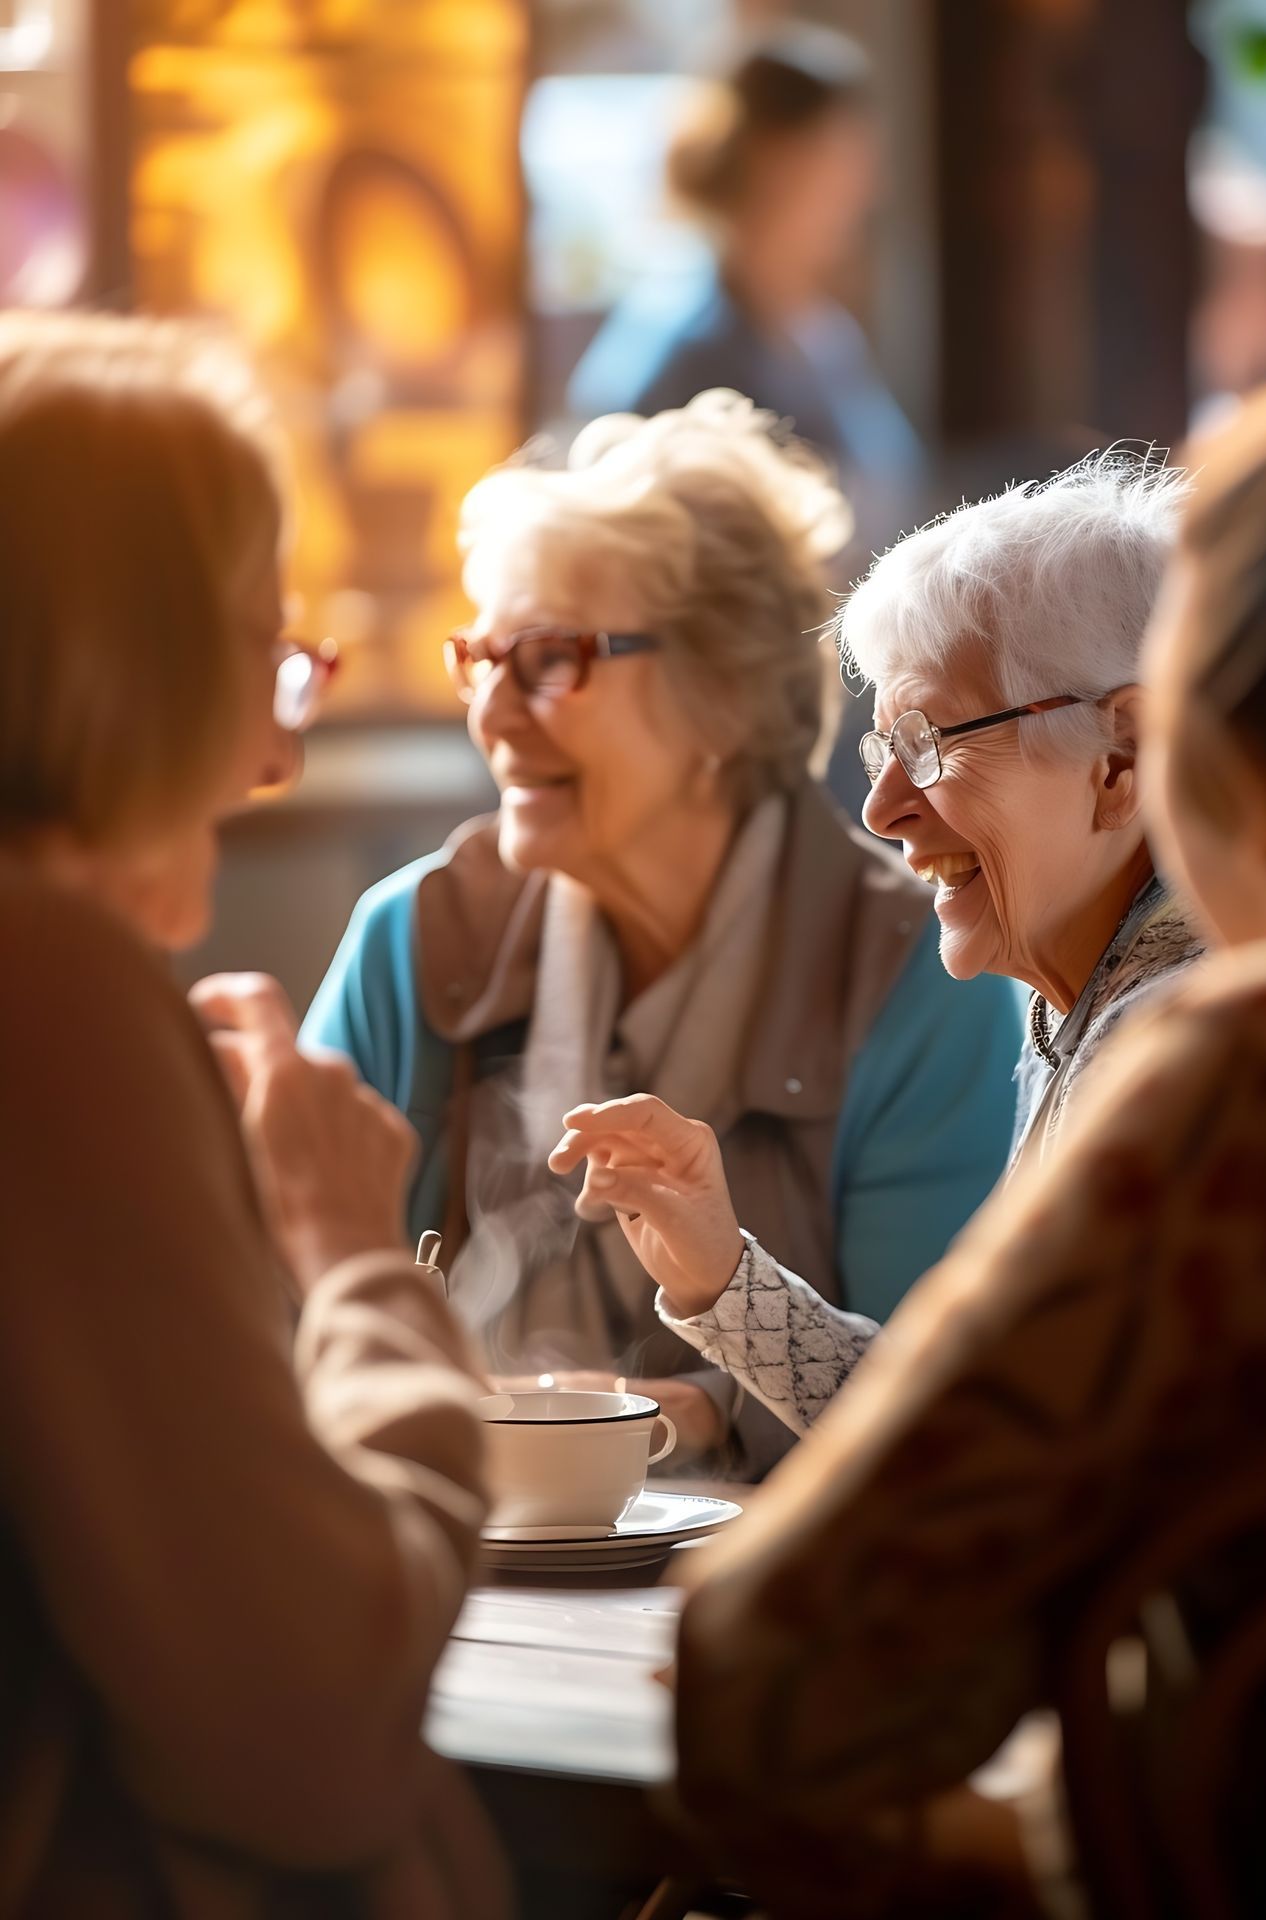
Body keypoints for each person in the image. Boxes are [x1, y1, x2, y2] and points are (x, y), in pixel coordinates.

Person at [657, 380, 1266, 1919]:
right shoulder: (1120, 1020)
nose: (880, 807)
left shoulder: (1265, 1073)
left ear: (1166, 758)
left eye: (923, 740)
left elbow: (773, 1679)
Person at [0, 312, 508, 1917]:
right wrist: (352, 1258)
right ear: (127, 666)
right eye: (265, 643)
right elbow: (310, 1726)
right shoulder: (48, 991)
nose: (282, 749)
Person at [302, 389, 1021, 1478]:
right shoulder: (413, 943)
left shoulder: (917, 973)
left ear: (724, 694)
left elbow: (938, 1412)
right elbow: (293, 1303)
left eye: (550, 658)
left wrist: (702, 1413)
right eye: (480, 659)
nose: (490, 715)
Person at [551, 450, 1203, 1435]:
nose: (882, 808)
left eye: (933, 744)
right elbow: (974, 1419)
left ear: (1122, 758)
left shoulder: (1165, 1039)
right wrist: (720, 1272)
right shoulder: (1087, 1004)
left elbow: (998, 1464)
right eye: (884, 749)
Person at [567, 22, 924, 548]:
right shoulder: (682, 353)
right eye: (844, 160)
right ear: (775, 163)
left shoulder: (823, 332)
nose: (868, 190)